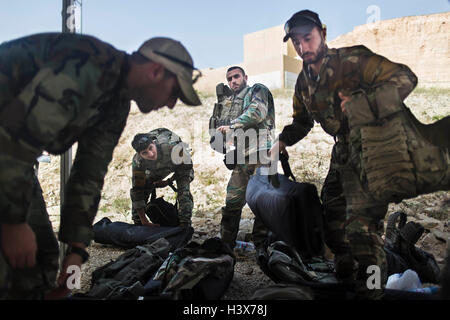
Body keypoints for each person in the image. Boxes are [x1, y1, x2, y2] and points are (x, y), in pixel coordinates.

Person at [0, 33, 201, 299]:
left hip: (14, 162)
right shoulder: (88, 66)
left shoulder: (116, 104)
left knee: (41, 261)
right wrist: (12, 223)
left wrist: (77, 250)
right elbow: (13, 140)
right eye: (175, 92)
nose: (172, 103)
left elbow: (89, 176)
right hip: (8, 152)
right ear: (155, 71)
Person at [270, 9, 449, 298]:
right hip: (343, 153)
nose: (303, 47)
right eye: (296, 42)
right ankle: (347, 277)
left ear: (323, 34)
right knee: (331, 225)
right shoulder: (304, 81)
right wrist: (282, 141)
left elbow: (405, 78)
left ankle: (373, 291)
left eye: (308, 37)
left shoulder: (352, 60)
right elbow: (302, 121)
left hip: (375, 148)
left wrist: (365, 102)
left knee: (363, 234)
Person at [210, 66, 275, 251]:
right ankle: (226, 244)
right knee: (232, 200)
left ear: (245, 77)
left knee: (263, 201)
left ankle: (262, 247)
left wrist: (231, 125)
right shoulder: (232, 104)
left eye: (236, 77)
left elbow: (257, 113)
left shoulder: (257, 90)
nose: (233, 81)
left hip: (263, 152)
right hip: (242, 156)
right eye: (229, 79)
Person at [130, 128, 194, 227]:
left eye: (151, 148)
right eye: (145, 153)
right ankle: (139, 223)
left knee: (184, 192)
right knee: (142, 189)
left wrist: (169, 181)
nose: (150, 154)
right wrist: (144, 221)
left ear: (154, 143)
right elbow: (137, 190)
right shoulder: (138, 162)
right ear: (139, 154)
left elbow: (186, 168)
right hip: (154, 170)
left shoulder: (173, 148)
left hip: (178, 165)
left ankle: (185, 224)